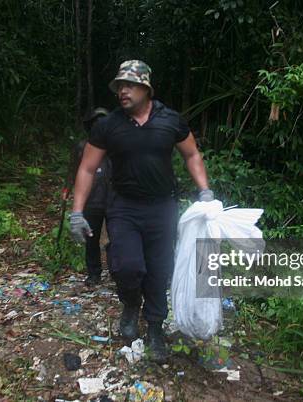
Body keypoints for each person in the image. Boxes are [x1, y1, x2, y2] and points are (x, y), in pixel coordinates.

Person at [69, 60, 214, 363]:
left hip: (162, 208)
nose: (123, 90)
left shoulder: (170, 120)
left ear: (146, 88)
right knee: (126, 266)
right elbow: (87, 167)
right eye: (120, 85)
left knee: (159, 270)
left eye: (130, 85)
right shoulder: (108, 126)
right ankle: (131, 304)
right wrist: (77, 212)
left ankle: (156, 329)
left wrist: (204, 190)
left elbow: (191, 154)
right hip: (123, 206)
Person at [64, 107, 111, 286]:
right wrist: (67, 191)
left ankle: (116, 270)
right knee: (91, 238)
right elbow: (74, 171)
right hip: (91, 199)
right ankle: (94, 273)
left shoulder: (116, 145)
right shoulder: (82, 147)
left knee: (116, 237)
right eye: (96, 123)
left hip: (113, 198)